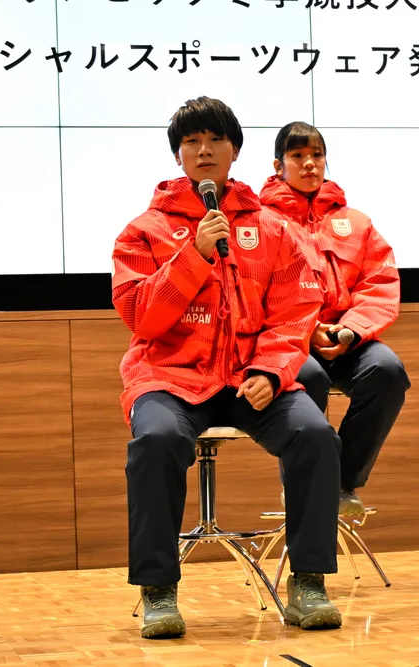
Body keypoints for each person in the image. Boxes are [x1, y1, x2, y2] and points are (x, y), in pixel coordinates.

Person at [112, 97, 343, 639]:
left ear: (234, 151)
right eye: (192, 142)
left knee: (314, 434)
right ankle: (158, 590)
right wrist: (192, 255)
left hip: (248, 377)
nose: (204, 150)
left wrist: (270, 370)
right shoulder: (143, 231)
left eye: (215, 140)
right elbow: (144, 320)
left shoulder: (274, 229)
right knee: (156, 442)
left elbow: (296, 311)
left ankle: (309, 582)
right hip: (169, 377)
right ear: (178, 156)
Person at [259, 122, 409, 517]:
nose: (309, 164)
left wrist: (350, 331)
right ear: (278, 165)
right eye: (297, 156)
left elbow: (379, 284)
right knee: (308, 377)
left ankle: (341, 482)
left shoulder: (356, 221)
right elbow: (255, 292)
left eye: (317, 155)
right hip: (288, 339)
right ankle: (305, 479)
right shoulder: (259, 221)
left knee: (388, 370)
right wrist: (306, 332)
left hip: (347, 337)